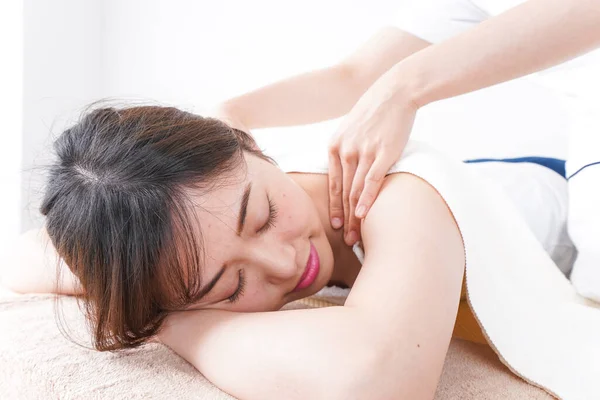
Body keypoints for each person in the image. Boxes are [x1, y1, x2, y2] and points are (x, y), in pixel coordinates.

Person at [2, 102, 595, 399]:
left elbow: (376, 376)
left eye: (263, 216)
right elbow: (28, 257)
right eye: (227, 287)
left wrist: (168, 322)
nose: (285, 264)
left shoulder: (396, 192)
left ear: (249, 146)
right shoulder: (177, 224)